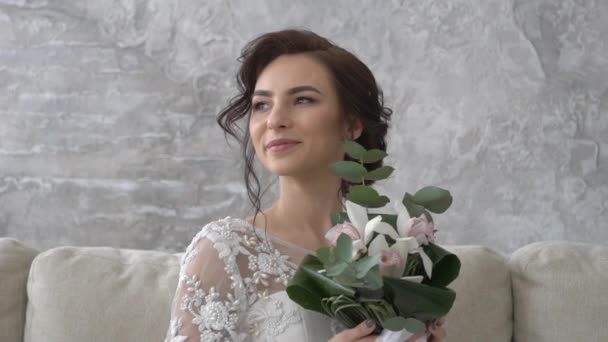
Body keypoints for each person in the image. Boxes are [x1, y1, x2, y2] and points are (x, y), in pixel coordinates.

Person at [165, 29, 447, 342]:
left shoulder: (392, 250)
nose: (275, 120)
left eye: (302, 99)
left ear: (351, 125)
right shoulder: (224, 250)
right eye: (261, 104)